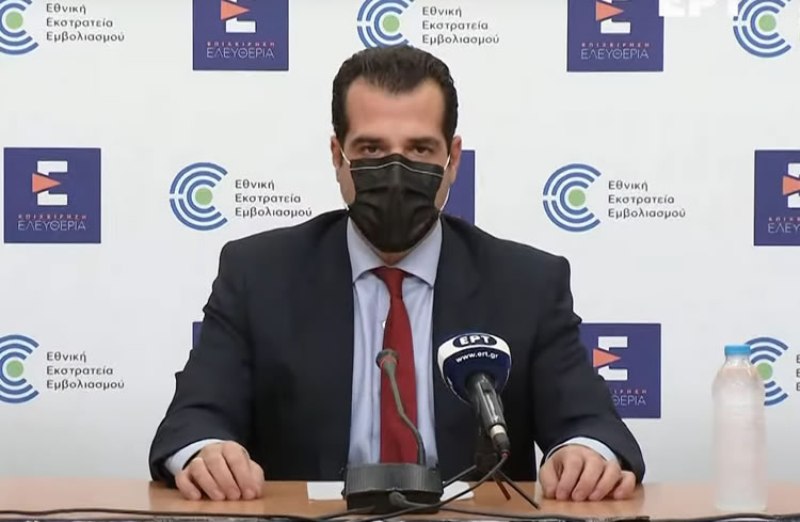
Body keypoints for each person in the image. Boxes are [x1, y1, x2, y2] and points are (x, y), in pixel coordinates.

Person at [149, 45, 645, 504]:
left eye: (420, 150)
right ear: (337, 157)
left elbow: (591, 424)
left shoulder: (526, 283)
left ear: (452, 160)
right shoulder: (259, 274)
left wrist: (585, 454)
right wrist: (207, 451)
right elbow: (195, 417)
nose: (394, 171)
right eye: (370, 149)